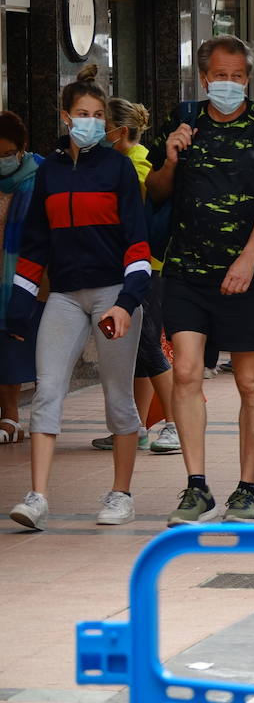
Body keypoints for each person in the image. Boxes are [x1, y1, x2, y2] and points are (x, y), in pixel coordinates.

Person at [145, 35, 254, 526]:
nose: (228, 84)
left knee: (250, 380)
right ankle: (196, 487)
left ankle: (246, 490)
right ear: (204, 78)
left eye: (237, 76)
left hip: (249, 272)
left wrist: (248, 259)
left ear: (247, 78)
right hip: (187, 269)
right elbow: (156, 194)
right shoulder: (183, 121)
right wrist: (169, 157)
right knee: (186, 372)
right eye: (219, 76)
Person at [7, 68, 150, 530]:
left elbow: (137, 242)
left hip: (113, 295)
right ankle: (37, 497)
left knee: (117, 398)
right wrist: (19, 307)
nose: (88, 122)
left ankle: (120, 495)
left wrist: (127, 303)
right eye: (80, 114)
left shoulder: (119, 168)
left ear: (105, 122)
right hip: (65, 297)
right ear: (66, 117)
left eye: (96, 116)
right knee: (47, 391)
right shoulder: (48, 172)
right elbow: (35, 246)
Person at [92, 97, 180, 453]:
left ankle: (175, 424)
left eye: (100, 122)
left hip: (145, 270)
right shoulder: (126, 162)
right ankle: (137, 427)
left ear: (119, 130)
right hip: (131, 269)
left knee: (148, 346)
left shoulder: (137, 166)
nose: (95, 130)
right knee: (139, 354)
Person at [0, 111, 41, 447]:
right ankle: (9, 415)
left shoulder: (41, 175)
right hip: (1, 277)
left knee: (39, 347)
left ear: (21, 147)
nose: (1, 160)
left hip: (33, 278)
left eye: (6, 153)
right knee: (6, 348)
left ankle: (44, 416)